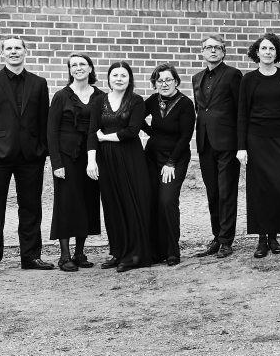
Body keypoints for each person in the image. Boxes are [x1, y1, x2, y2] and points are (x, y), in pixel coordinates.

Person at [0, 37, 52, 277]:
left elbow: (44, 119)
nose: (13, 52)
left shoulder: (39, 83)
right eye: (9, 48)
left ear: (25, 52)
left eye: (18, 48)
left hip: (31, 155)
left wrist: (43, 148)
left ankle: (31, 257)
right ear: (2, 53)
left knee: (31, 207)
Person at [237, 33, 280, 258]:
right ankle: (261, 239)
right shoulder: (248, 79)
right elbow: (242, 114)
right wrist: (241, 147)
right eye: (263, 48)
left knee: (277, 188)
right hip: (255, 140)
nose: (267, 52)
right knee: (258, 189)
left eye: (271, 49)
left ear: (277, 53)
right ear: (257, 52)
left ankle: (274, 237)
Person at [86, 62, 154, 273]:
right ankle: (117, 252)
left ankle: (134, 254)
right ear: (108, 78)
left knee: (131, 203)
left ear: (129, 79)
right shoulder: (99, 101)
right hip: (106, 159)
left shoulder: (136, 101)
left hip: (130, 157)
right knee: (112, 204)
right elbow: (92, 132)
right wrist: (91, 161)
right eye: (115, 75)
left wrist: (105, 137)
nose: (119, 79)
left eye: (123, 75)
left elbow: (132, 131)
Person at [47, 53, 104, 272]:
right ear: (70, 70)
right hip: (66, 158)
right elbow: (52, 131)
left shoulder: (100, 96)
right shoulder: (61, 96)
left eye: (82, 64)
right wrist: (56, 163)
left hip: (91, 158)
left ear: (90, 68)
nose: (78, 68)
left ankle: (80, 253)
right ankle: (64, 255)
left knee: (87, 202)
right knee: (66, 204)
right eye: (74, 65)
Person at [191, 34, 243, 259]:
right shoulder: (196, 78)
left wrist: (241, 144)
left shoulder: (233, 74)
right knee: (212, 193)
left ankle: (226, 240)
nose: (212, 51)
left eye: (217, 47)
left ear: (223, 51)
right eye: (208, 47)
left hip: (227, 143)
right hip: (205, 143)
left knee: (226, 193)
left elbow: (241, 110)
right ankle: (216, 237)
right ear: (202, 51)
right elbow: (200, 109)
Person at [142, 63, 195, 266]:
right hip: (152, 157)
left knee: (167, 200)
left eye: (168, 80)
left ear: (176, 81)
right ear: (155, 84)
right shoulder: (153, 100)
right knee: (152, 201)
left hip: (175, 158)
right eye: (160, 80)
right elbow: (137, 117)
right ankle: (156, 252)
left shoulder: (185, 104)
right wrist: (151, 133)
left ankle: (172, 251)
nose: (164, 84)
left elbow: (185, 136)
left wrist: (171, 162)